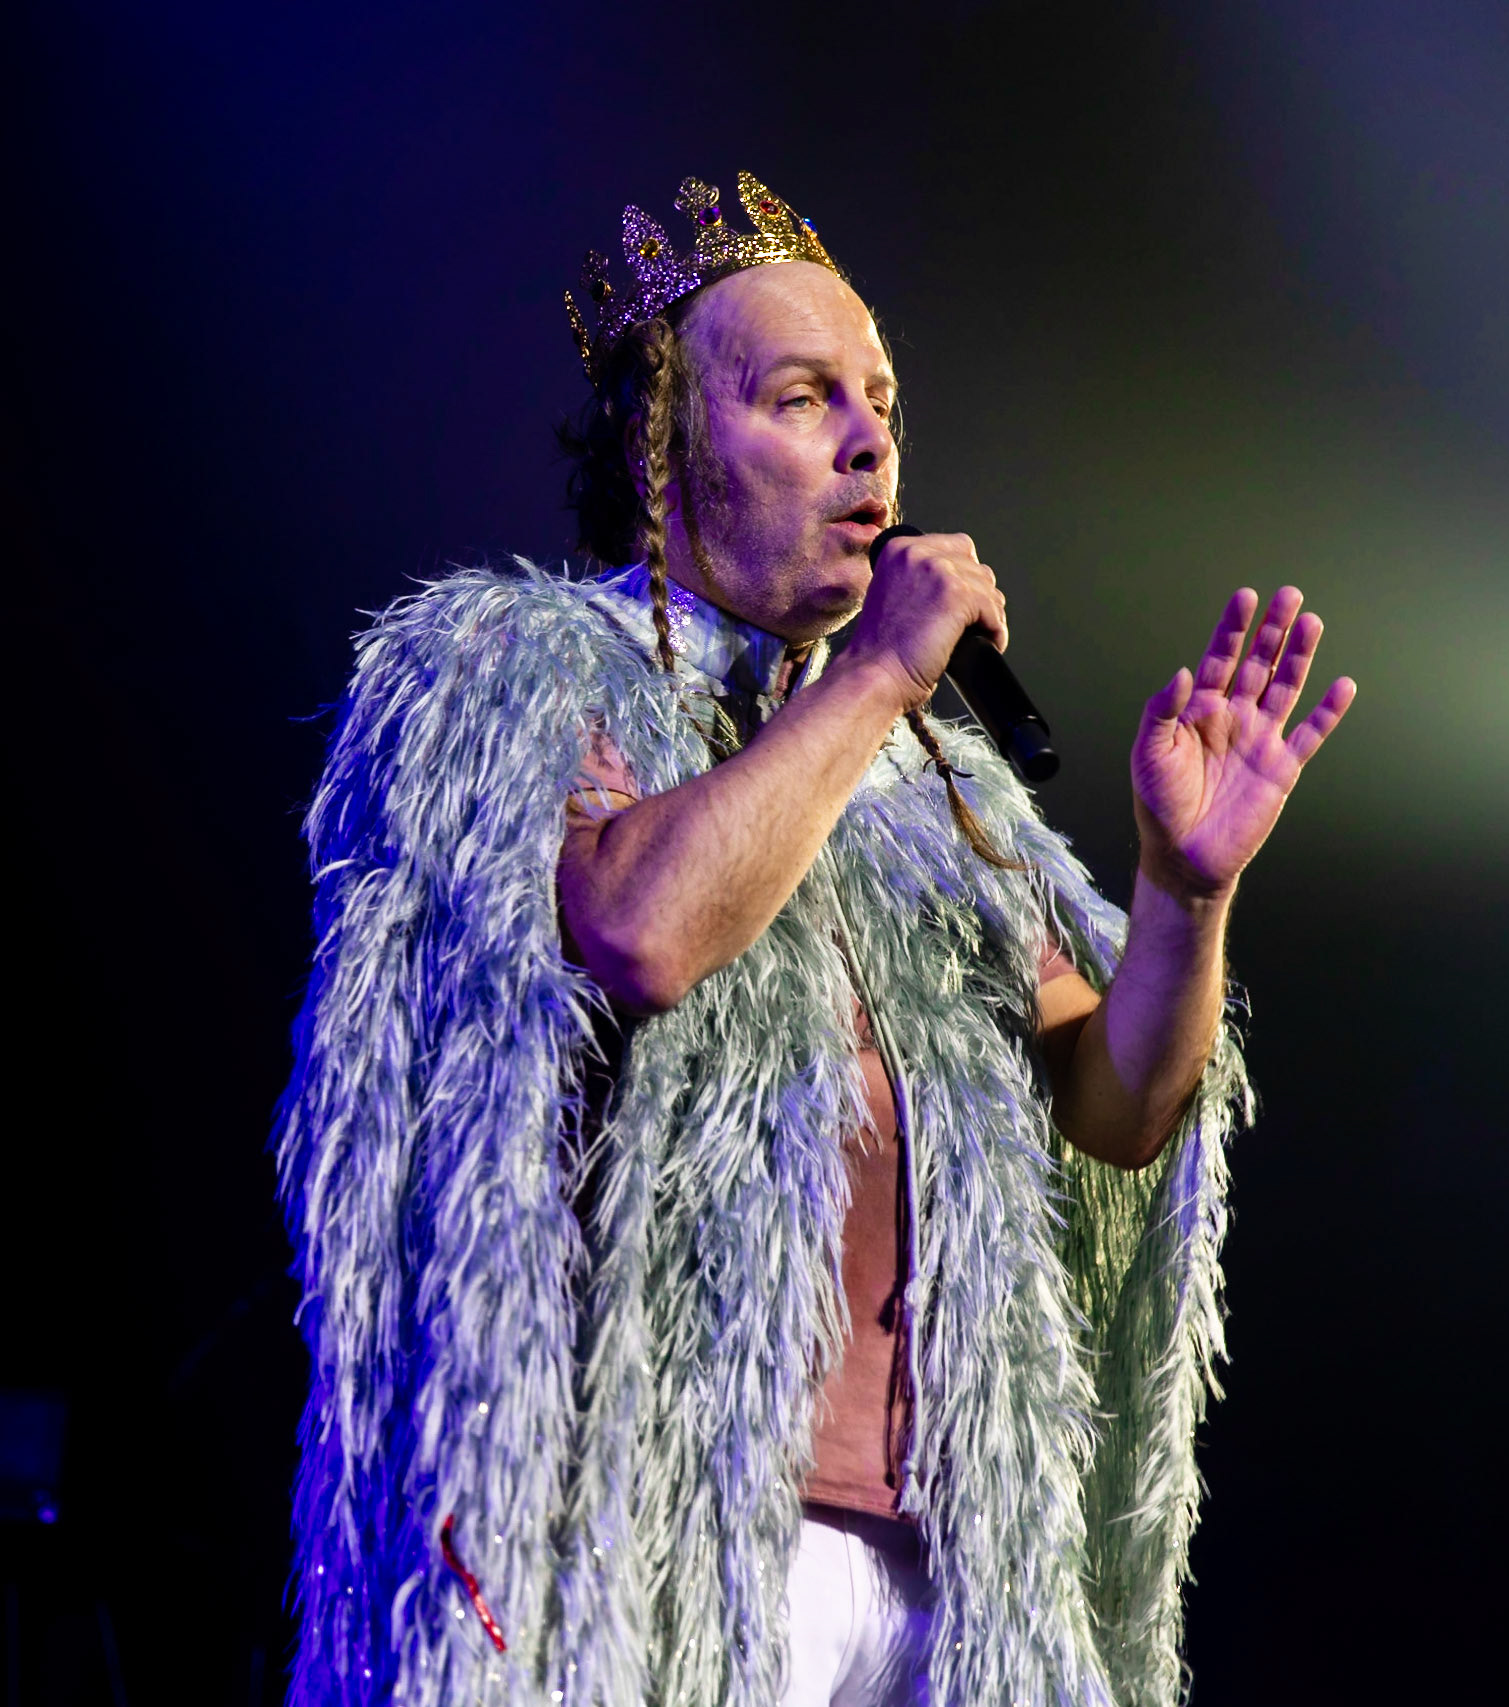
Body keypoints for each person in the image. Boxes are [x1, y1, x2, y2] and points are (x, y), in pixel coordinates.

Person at [275, 172, 1354, 1707]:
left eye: (882, 404)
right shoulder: (511, 672)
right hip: (674, 1543)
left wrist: (1186, 888)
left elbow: (1118, 1107)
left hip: (943, 1569)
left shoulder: (934, 791)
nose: (869, 442)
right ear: (667, 450)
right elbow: (640, 930)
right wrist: (880, 680)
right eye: (801, 398)